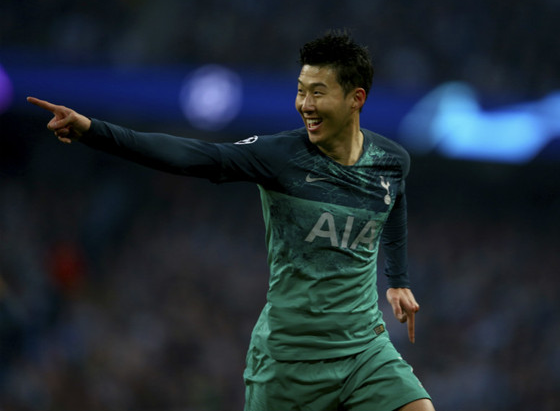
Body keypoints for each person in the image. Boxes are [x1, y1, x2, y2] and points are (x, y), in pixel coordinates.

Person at [28, 31, 435, 411]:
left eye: (318, 93)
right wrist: (93, 131)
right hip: (289, 360)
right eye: (300, 91)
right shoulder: (280, 157)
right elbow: (194, 156)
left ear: (355, 99)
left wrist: (398, 280)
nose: (305, 105)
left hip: (364, 349)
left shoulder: (392, 162)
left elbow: (392, 205)